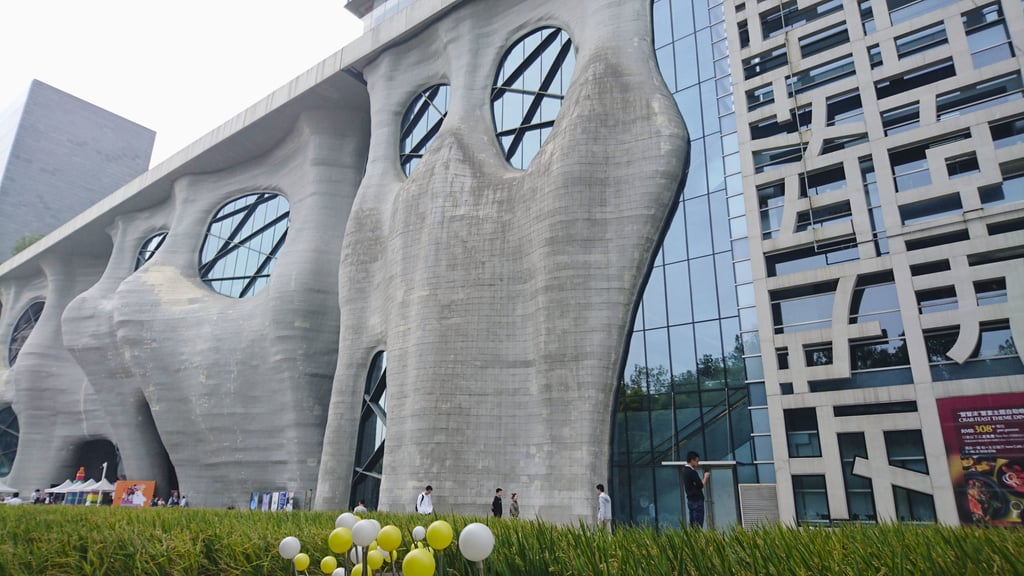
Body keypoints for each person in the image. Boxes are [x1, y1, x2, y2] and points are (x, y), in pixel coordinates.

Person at [682, 450, 711, 528]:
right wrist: (705, 477)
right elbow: (700, 485)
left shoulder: (685, 471)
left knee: (693, 523)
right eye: (697, 461)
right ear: (692, 460)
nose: (697, 463)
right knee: (698, 524)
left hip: (690, 500)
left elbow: (696, 484)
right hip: (697, 501)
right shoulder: (691, 472)